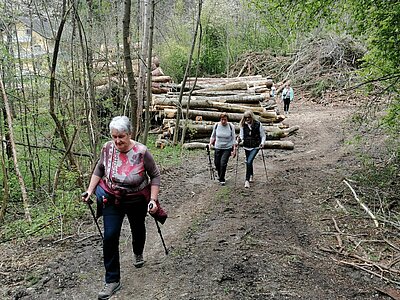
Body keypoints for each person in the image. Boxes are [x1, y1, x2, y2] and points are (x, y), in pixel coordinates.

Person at [82, 116, 161, 300]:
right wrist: (89, 190)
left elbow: (155, 176)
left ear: (129, 134)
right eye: (114, 136)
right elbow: (99, 169)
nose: (117, 141)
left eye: (121, 137)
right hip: (112, 197)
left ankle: (138, 251)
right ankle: (112, 280)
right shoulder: (107, 148)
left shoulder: (142, 152)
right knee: (110, 236)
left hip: (136, 199)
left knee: (138, 228)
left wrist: (153, 199)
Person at [239, 110, 266, 188]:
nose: (247, 119)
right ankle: (251, 174)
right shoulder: (243, 125)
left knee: (249, 161)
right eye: (246, 118)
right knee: (249, 162)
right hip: (246, 146)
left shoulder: (258, 124)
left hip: (256, 146)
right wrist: (239, 140)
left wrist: (262, 143)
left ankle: (246, 180)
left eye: (249, 117)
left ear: (252, 117)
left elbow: (263, 135)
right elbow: (241, 136)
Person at [209, 113, 237, 186]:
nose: (223, 121)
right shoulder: (216, 125)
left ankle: (222, 178)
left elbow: (234, 138)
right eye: (222, 119)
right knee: (217, 163)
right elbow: (213, 136)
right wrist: (210, 143)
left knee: (223, 163)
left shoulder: (231, 126)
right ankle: (220, 175)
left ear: (227, 120)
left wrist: (234, 149)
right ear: (220, 119)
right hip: (218, 147)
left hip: (227, 148)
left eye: (225, 120)